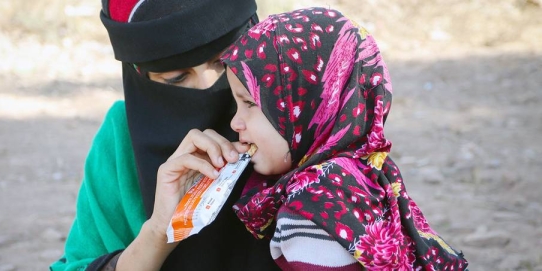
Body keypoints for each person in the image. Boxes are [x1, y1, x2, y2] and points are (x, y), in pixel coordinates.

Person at [220, 7, 469, 270]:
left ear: (306, 105)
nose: (235, 122)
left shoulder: (309, 212)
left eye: (249, 103)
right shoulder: (365, 172)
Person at [50, 0, 282, 270]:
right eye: (176, 79)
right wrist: (159, 231)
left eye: (223, 62)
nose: (208, 86)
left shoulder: (305, 111)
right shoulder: (123, 136)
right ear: (141, 77)